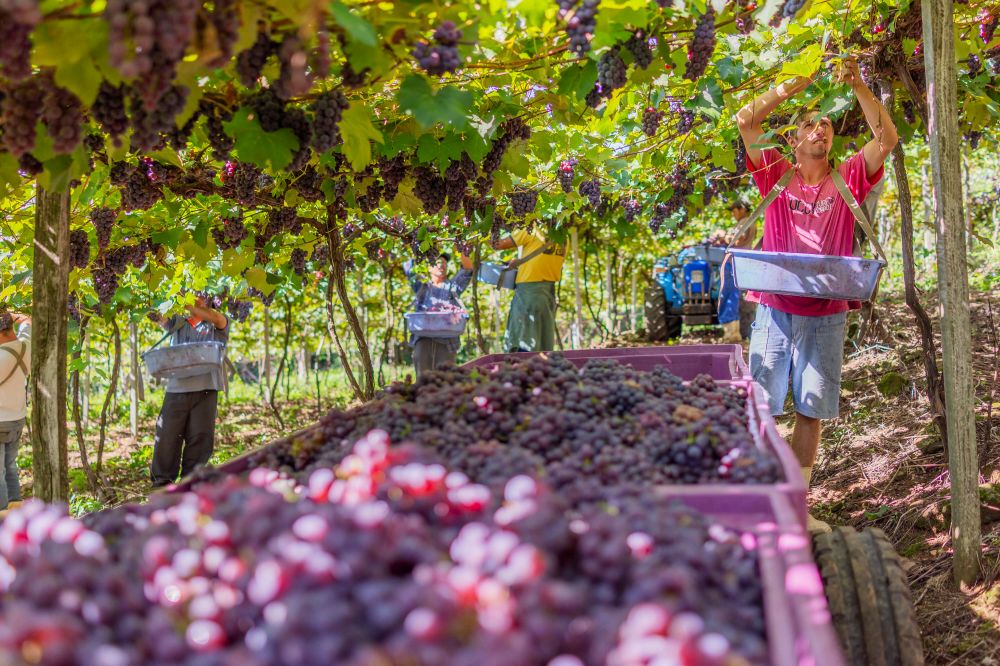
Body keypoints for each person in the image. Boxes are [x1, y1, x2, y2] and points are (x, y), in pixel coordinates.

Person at [735, 58, 897, 532]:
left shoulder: (847, 175)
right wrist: (793, 84)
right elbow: (746, 120)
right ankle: (764, 496)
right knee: (762, 407)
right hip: (775, 310)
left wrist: (860, 84)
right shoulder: (775, 175)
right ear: (792, 139)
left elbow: (886, 139)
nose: (820, 130)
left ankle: (796, 507)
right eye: (809, 124)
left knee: (811, 410)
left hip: (827, 312)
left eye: (825, 124)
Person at [149, 295, 230, 487]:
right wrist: (155, 304)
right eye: (193, 292)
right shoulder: (178, 322)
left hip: (206, 390)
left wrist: (181, 301)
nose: (197, 297)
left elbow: (214, 318)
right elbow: (160, 316)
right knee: (167, 437)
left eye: (202, 294)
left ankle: (191, 483)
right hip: (177, 389)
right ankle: (161, 485)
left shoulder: (218, 323)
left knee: (200, 439)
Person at [492, 227, 566, 353]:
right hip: (548, 293)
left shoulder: (532, 229)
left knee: (524, 337)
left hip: (529, 293)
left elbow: (498, 244)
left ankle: (523, 369)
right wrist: (519, 262)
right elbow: (547, 260)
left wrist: (479, 231)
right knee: (542, 339)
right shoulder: (563, 236)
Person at [403, 252, 474, 377]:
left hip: (446, 342)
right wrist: (418, 247)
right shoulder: (421, 287)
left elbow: (468, 270)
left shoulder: (453, 287)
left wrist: (463, 248)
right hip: (423, 340)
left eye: (444, 263)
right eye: (437, 263)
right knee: (423, 380)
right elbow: (409, 269)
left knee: (445, 380)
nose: (442, 266)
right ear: (429, 267)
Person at [0, 311, 30, 517]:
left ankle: (2, 520)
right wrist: (14, 315)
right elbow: (29, 321)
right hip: (17, 420)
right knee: (10, 467)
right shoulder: (26, 347)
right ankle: (16, 516)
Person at [718, 201, 757, 343]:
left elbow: (738, 240)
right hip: (742, 262)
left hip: (733, 263)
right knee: (738, 297)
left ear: (742, 209)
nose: (733, 214)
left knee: (728, 295)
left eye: (734, 211)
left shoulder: (744, 222)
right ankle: (740, 331)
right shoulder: (751, 222)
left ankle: (731, 334)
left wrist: (723, 236)